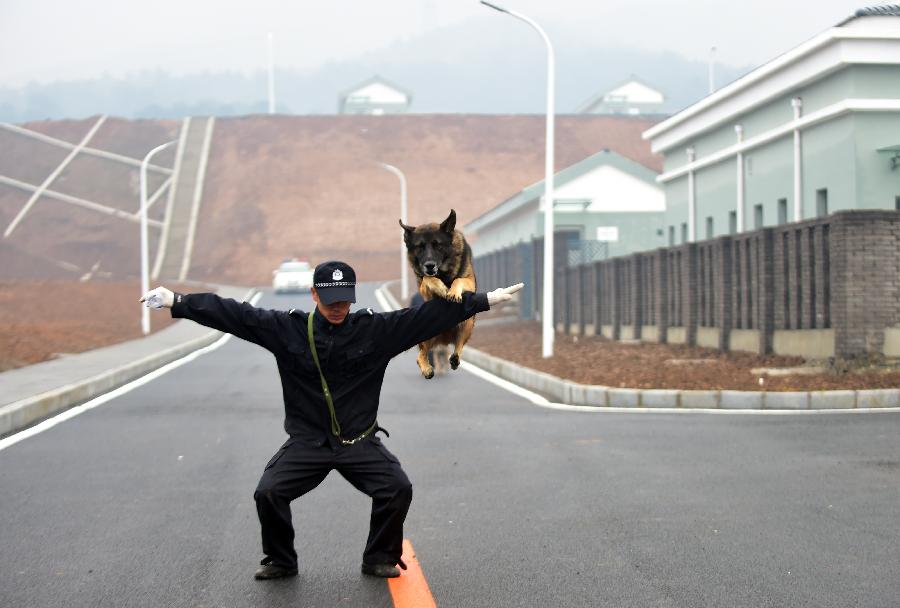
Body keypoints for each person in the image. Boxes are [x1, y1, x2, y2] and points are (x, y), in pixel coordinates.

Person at [141, 260, 522, 581]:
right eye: (329, 300)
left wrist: (481, 301)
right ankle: (281, 559)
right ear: (313, 296)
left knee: (397, 487)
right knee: (268, 493)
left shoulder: (374, 330)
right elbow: (237, 315)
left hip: (359, 442)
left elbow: (425, 317)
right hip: (308, 442)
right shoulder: (287, 329)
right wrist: (179, 302)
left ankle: (379, 557)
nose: (337, 307)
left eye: (343, 301)